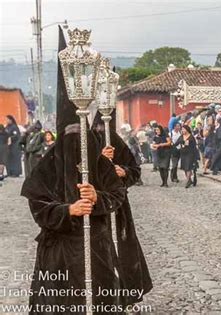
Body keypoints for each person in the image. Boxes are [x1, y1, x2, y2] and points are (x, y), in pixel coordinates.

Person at [20, 27, 127, 312]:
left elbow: (117, 194)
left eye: (79, 138)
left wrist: (97, 198)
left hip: (97, 248)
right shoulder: (48, 165)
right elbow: (38, 205)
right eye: (69, 137)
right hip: (59, 256)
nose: (75, 145)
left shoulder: (98, 161)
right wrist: (68, 210)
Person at [92, 108, 152, 307]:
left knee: (123, 251)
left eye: (106, 125)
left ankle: (127, 298)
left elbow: (135, 170)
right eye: (100, 125)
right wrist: (99, 160)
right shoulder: (87, 143)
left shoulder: (117, 143)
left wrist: (123, 171)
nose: (102, 129)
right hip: (94, 208)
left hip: (118, 208)